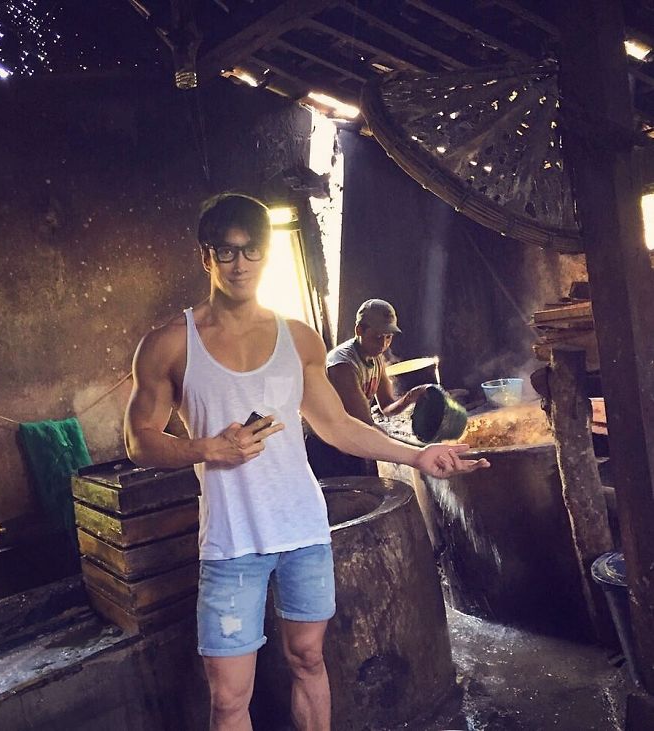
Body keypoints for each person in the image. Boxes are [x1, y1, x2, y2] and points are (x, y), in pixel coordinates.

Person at [124, 192, 489, 731]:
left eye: (252, 250)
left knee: (309, 660)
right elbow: (139, 441)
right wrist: (208, 448)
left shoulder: (298, 340)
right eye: (226, 251)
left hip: (303, 531)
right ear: (206, 257)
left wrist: (418, 455)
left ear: (266, 254)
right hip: (232, 541)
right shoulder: (170, 345)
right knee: (229, 698)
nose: (240, 264)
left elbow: (338, 426)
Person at [306, 299, 428, 479]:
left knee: (368, 486)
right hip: (326, 444)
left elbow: (386, 407)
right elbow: (364, 422)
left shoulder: (376, 357)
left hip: (353, 435)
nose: (383, 344)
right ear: (359, 330)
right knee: (348, 492)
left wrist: (411, 397)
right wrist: (412, 452)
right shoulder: (342, 365)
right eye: (377, 337)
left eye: (388, 337)